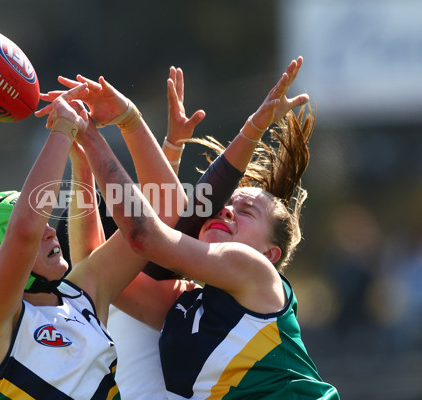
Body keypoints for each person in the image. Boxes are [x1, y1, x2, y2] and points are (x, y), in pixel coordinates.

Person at [71, 56, 340, 399]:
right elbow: (91, 276)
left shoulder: (255, 272)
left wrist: (114, 128)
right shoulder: (184, 309)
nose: (225, 212)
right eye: (225, 205)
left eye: (246, 212)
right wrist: (81, 160)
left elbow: (148, 235)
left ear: (269, 254)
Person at [54, 66, 205, 399]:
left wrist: (87, 157)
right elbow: (156, 225)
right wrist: (160, 143)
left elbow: (151, 227)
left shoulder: (179, 302)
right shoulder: (166, 300)